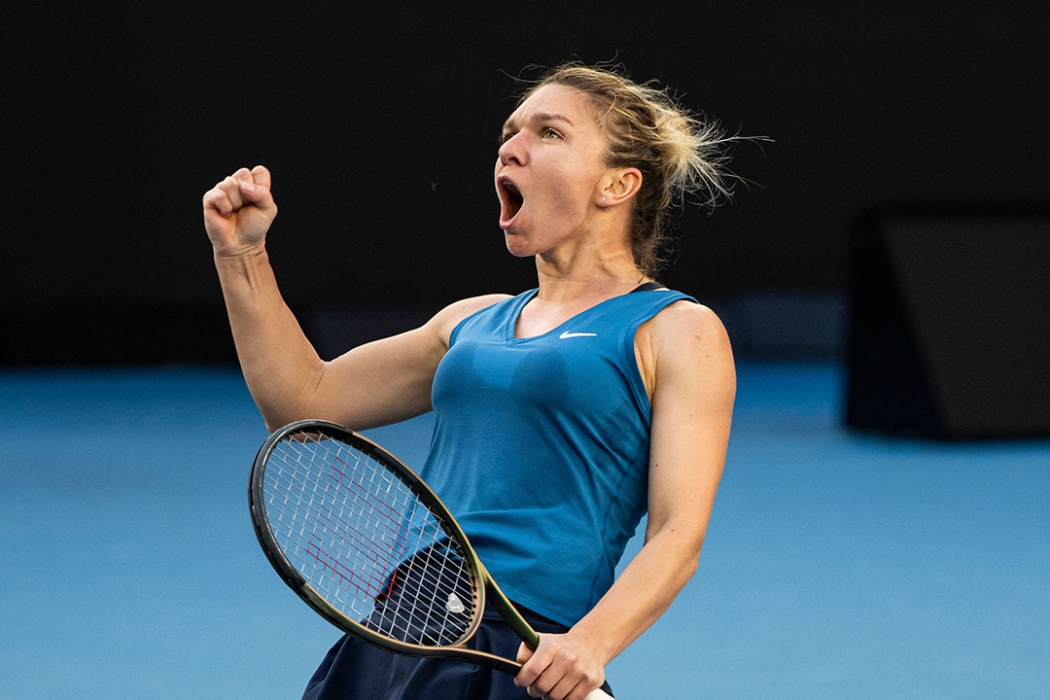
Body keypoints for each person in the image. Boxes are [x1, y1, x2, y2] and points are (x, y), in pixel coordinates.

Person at [203, 62, 737, 700]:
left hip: (528, 645)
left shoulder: (679, 329)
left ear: (617, 185)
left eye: (550, 133)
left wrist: (595, 641)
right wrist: (241, 256)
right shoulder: (471, 320)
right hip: (400, 629)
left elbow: (679, 531)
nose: (510, 147)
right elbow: (302, 400)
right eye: (510, 132)